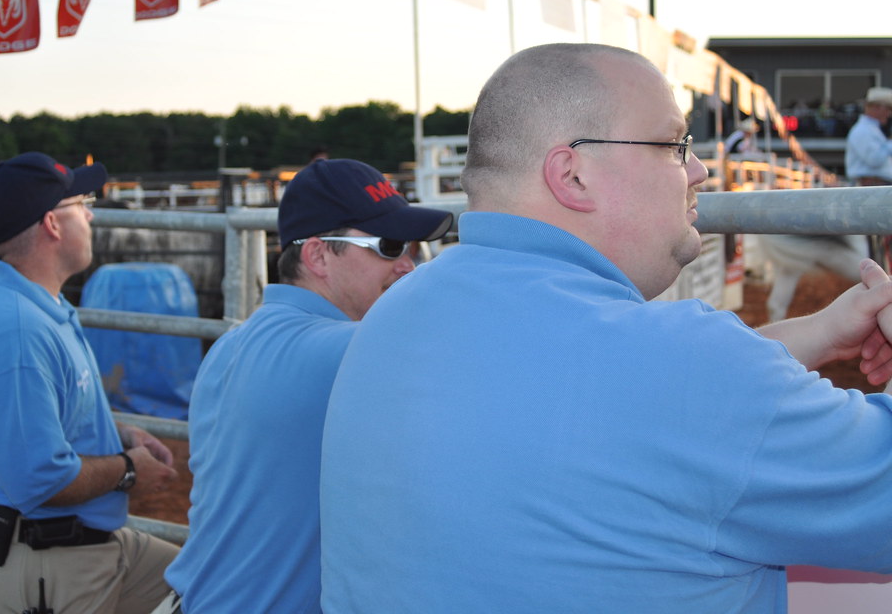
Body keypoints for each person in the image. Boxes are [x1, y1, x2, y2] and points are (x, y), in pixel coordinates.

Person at [319, 43, 892, 613]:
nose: (698, 170)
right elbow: (677, 392)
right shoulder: (686, 369)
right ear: (573, 176)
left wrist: (816, 333)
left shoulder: (393, 314)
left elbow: (608, 395)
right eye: (674, 145)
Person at [160, 159, 453, 613]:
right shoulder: (351, 351)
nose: (408, 267)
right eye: (390, 246)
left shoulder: (229, 346)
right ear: (317, 256)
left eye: (413, 249)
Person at [0, 152, 180, 614]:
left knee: (213, 585)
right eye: (81, 204)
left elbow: (52, 414)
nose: (91, 215)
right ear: (52, 224)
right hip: (44, 562)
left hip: (75, 546)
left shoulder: (39, 306)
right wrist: (128, 469)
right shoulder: (15, 331)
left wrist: (119, 436)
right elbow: (40, 480)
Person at [845, 86, 892, 185]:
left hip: (875, 185)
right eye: (888, 108)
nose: (889, 114)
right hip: (872, 185)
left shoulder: (870, 130)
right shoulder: (862, 130)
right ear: (875, 107)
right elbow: (875, 160)